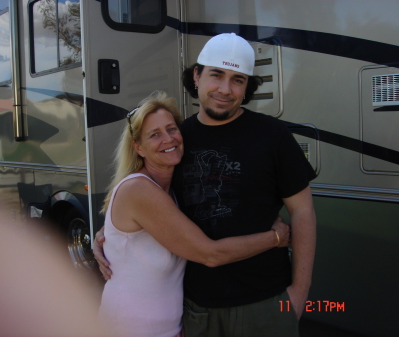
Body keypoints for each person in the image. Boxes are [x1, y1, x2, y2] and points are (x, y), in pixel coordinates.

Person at [96, 33, 317, 337]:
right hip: (197, 307)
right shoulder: (176, 142)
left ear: (246, 87)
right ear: (197, 76)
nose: (225, 90)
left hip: (267, 301)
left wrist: (299, 294)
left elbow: (303, 212)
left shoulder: (274, 136)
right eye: (216, 75)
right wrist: (107, 239)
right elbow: (149, 204)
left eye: (237, 80)